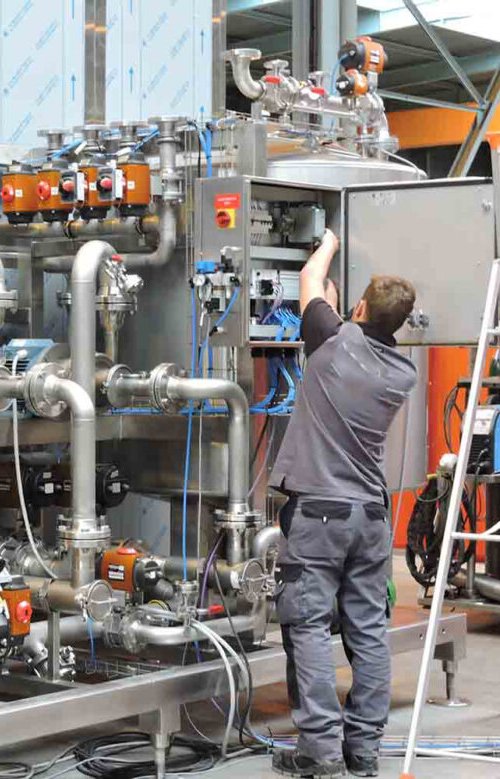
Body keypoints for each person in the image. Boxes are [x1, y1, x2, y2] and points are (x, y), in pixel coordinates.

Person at [268, 228, 417, 779]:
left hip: (319, 515)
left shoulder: (332, 344)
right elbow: (325, 303)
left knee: (308, 627)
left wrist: (329, 238)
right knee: (368, 630)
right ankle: (364, 751)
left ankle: (321, 752)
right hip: (371, 516)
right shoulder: (402, 372)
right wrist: (336, 305)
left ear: (358, 309)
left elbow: (311, 278)